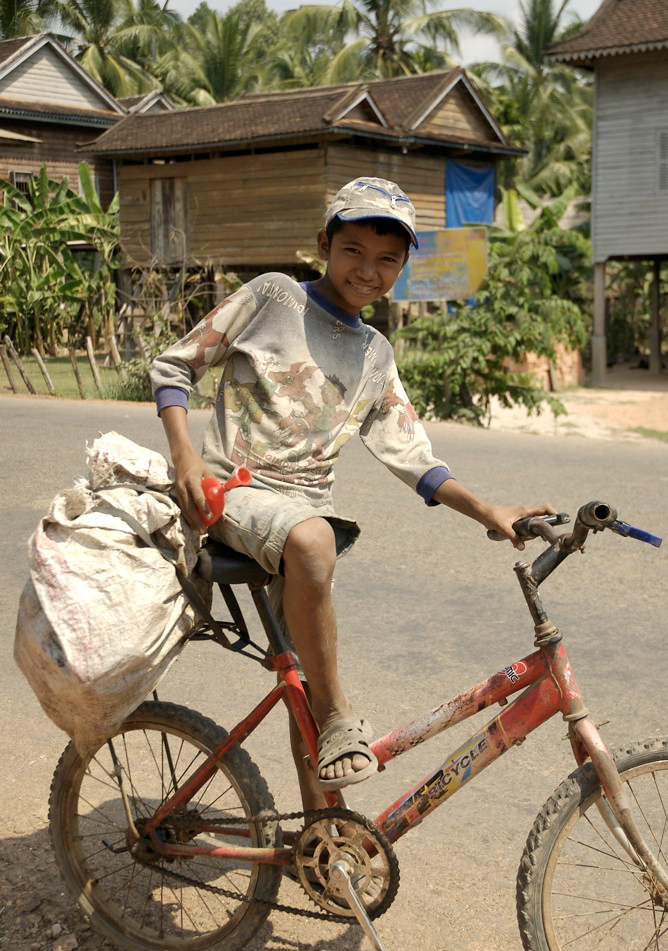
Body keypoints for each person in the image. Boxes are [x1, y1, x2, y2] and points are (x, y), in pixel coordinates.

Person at [150, 176, 555, 810]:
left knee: (304, 670)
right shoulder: (273, 298)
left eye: (387, 258)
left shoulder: (374, 353)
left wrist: (487, 509)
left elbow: (412, 456)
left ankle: (325, 832)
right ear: (324, 244)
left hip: (299, 521)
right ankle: (341, 715)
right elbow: (174, 366)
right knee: (315, 542)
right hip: (235, 493)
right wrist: (185, 460)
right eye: (353, 250)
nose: (368, 269)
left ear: (403, 265)